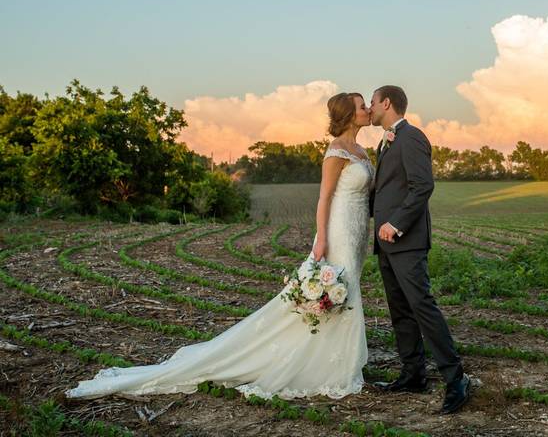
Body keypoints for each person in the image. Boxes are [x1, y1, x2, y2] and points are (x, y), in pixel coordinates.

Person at [67, 93, 374, 400]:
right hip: (338, 232)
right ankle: (332, 366)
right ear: (349, 115)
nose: (368, 110)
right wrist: (321, 238)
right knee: (339, 291)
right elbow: (324, 198)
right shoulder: (336, 151)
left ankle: (335, 359)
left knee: (346, 290)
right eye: (362, 107)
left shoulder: (360, 150)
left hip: (357, 231)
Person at [368, 84, 471, 414]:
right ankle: (413, 375)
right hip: (385, 243)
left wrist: (396, 224)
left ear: (386, 103)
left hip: (405, 240)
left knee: (422, 307)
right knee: (400, 311)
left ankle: (456, 379)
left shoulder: (411, 137)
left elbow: (423, 185)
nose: (369, 109)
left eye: (372, 103)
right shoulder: (385, 141)